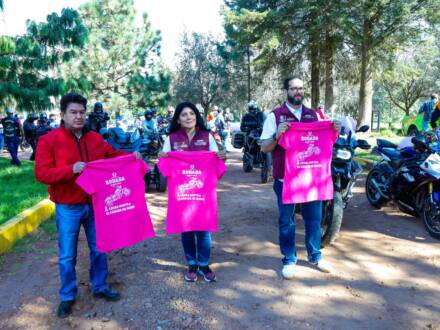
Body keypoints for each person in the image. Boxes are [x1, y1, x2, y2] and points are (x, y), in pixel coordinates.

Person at [34, 93, 142, 319]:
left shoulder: (94, 138)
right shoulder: (49, 140)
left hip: (95, 205)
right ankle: (67, 296)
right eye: (73, 112)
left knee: (100, 248)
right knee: (66, 255)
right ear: (62, 115)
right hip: (67, 207)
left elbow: (113, 156)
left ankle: (100, 287)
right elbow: (41, 174)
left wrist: (132, 156)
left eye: (82, 112)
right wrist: (70, 170)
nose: (79, 116)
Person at [260, 76, 341, 280]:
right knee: (286, 221)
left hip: (311, 179)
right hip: (285, 179)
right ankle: (289, 258)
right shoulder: (275, 116)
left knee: (314, 219)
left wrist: (335, 130)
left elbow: (325, 141)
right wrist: (278, 135)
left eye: (301, 88)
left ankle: (315, 256)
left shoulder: (313, 115)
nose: (298, 91)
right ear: (286, 91)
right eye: (293, 88)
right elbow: (264, 147)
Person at [160, 101, 226, 283]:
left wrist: (221, 156)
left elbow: (217, 161)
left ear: (196, 116)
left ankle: (204, 264)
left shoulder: (207, 137)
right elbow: (164, 164)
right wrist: (163, 157)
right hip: (182, 194)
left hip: (203, 194)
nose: (188, 117)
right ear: (178, 119)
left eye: (191, 113)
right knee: (186, 229)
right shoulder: (171, 139)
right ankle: (192, 264)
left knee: (203, 230)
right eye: (184, 114)